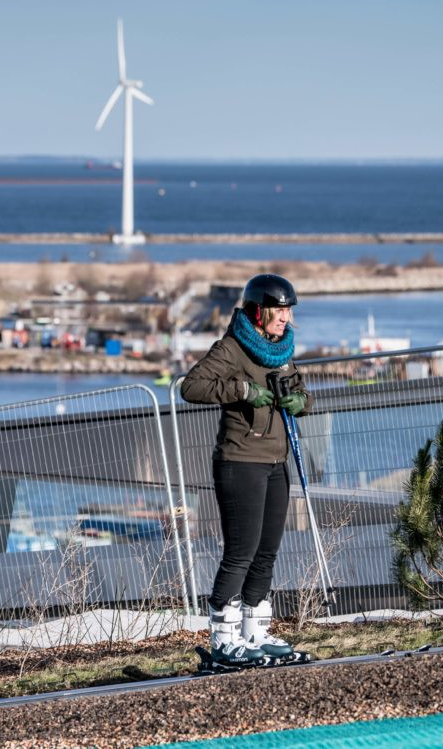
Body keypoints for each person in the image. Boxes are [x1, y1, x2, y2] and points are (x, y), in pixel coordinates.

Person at [180, 273, 313, 667]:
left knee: (266, 553)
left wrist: (298, 402)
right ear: (258, 312)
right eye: (279, 310)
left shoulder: (281, 349)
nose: (285, 317)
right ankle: (223, 640)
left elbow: (304, 395)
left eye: (289, 310)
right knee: (241, 552)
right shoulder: (233, 348)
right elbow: (191, 387)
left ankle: (254, 632)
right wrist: (240, 390)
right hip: (240, 462)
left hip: (275, 461)